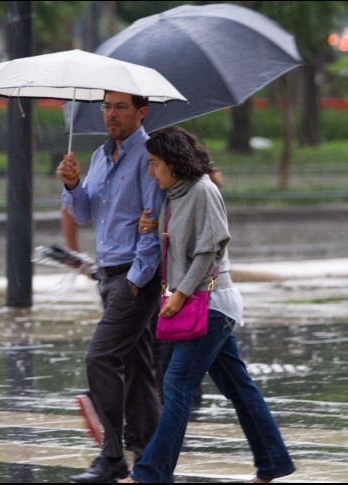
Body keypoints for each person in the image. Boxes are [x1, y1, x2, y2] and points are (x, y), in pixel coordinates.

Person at [120, 127, 295, 483]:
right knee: (238, 387)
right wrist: (149, 229)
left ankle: (150, 474)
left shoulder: (203, 190)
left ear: (173, 162)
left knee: (177, 383)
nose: (151, 171)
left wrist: (180, 294)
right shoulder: (172, 197)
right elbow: (177, 248)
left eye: (154, 164)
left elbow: (209, 249)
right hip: (195, 302)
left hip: (211, 303)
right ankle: (273, 461)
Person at [57, 91, 164, 483]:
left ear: (141, 111)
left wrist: (136, 282)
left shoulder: (149, 156)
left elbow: (152, 225)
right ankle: (152, 457)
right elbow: (85, 213)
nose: (111, 115)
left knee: (99, 358)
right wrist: (72, 184)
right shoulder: (102, 156)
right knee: (137, 368)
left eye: (120, 107)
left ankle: (113, 456)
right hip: (109, 274)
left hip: (134, 277)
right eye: (106, 107)